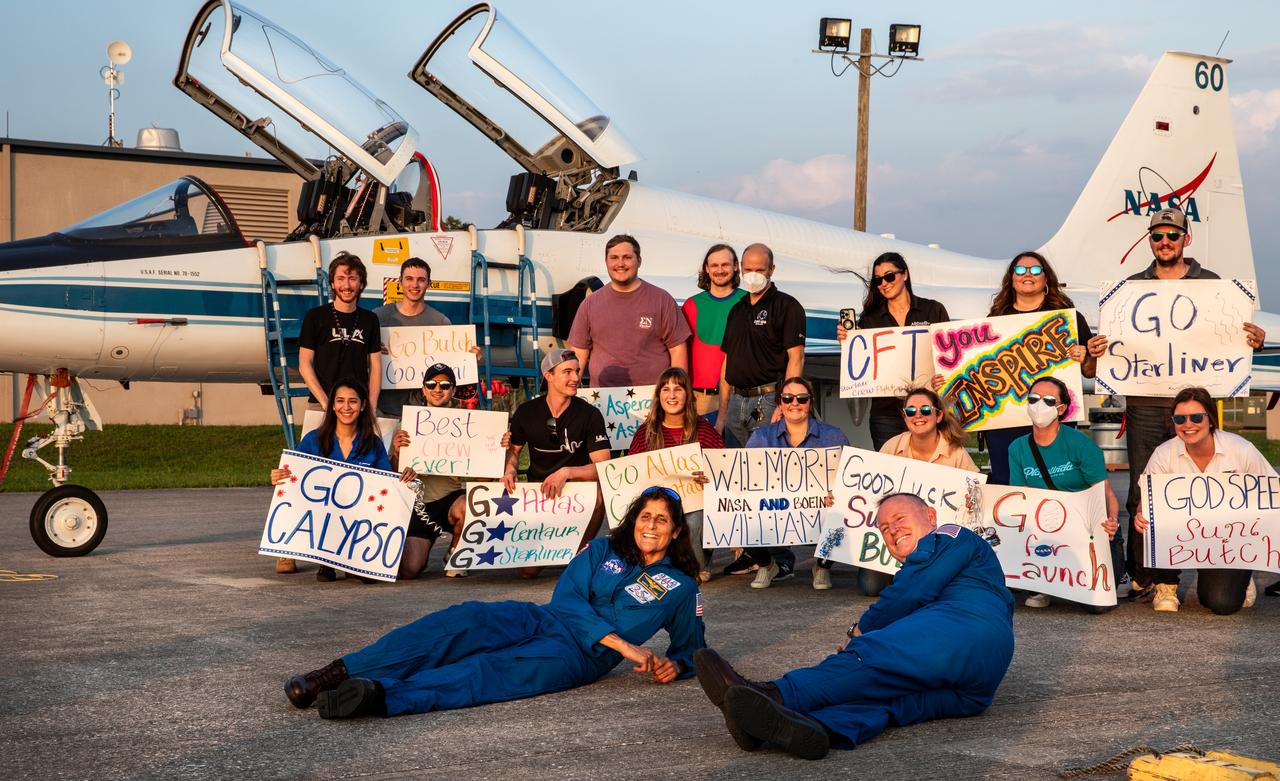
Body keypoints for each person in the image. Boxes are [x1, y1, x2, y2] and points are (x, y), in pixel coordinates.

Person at [282, 488, 706, 718]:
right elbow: (568, 599)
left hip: (576, 656)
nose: (650, 525)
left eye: (662, 520)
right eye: (645, 517)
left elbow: (692, 646)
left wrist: (678, 665)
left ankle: (379, 696)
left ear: (675, 533)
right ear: (634, 522)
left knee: (487, 672)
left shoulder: (681, 587)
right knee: (459, 623)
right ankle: (335, 673)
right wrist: (626, 646)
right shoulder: (601, 549)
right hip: (541, 618)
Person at [693, 493, 1014, 759]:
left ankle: (774, 694)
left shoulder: (949, 535)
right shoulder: (944, 570)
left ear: (930, 515)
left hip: (968, 633)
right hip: (975, 688)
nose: (892, 531)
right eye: (884, 529)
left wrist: (861, 633)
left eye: (900, 519)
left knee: (869, 655)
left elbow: (914, 589)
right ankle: (812, 726)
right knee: (889, 699)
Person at [1086, 209, 1266, 598]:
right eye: (1157, 236)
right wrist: (1100, 350)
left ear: (1186, 239)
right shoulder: (1130, 289)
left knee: (1213, 487)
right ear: (1149, 241)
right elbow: (1113, 350)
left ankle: (1228, 563)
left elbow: (1233, 340)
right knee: (1144, 490)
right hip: (1146, 403)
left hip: (1197, 406)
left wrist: (1253, 340)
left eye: (1171, 235)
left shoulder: (1214, 286)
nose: (1164, 241)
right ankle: (1147, 575)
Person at [1132, 387, 1272, 614]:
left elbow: (1271, 493)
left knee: (1221, 603)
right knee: (1145, 520)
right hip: (1182, 533)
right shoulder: (1163, 453)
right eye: (1180, 418)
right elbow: (1146, 499)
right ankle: (1166, 585)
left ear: (1211, 419)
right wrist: (1141, 514)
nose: (1188, 424)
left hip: (1229, 539)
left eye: (1196, 417)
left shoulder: (1241, 449)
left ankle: (1242, 577)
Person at [716, 243, 807, 576]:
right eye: (747, 267)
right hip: (737, 400)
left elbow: (796, 357)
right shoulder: (737, 308)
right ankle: (751, 551)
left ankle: (780, 557)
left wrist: (787, 404)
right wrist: (723, 410)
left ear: (771, 269)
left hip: (769, 398)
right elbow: (728, 361)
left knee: (768, 479)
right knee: (740, 480)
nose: (753, 273)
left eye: (760, 267)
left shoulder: (787, 306)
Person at [270, 378, 415, 581]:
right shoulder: (314, 439)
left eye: (353, 401)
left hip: (359, 523)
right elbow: (294, 477)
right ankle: (326, 559)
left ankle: (353, 559)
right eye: (340, 401)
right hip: (325, 523)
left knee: (369, 578)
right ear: (332, 405)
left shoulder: (372, 442)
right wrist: (279, 476)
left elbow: (386, 484)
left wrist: (403, 473)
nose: (346, 407)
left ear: (363, 405)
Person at [1007, 376, 1120, 609]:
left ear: (1062, 409)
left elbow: (1106, 493)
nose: (1039, 405)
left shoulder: (1081, 445)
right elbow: (1020, 496)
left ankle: (1116, 568)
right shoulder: (1017, 448)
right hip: (1045, 528)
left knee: (1097, 606)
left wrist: (1112, 521)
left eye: (1049, 401)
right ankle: (1043, 583)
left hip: (1086, 529)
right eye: (1033, 399)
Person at [504, 347, 611, 577]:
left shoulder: (590, 414)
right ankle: (549, 547)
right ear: (548, 376)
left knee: (599, 496)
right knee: (528, 572)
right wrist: (510, 468)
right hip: (538, 496)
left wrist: (567, 472)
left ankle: (578, 555)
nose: (575, 378)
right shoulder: (526, 412)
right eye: (567, 372)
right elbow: (513, 452)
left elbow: (603, 467)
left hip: (575, 494)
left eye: (577, 371)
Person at [835, 252, 949, 449]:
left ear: (905, 274)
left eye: (889, 276)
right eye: (878, 280)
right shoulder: (870, 319)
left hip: (927, 408)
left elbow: (948, 355)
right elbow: (860, 363)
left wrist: (943, 378)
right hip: (885, 413)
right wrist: (847, 342)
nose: (884, 283)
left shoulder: (933, 309)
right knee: (891, 472)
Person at [745, 376, 849, 589]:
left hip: (820, 511)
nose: (795, 403)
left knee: (845, 510)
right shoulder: (761, 438)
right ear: (780, 403)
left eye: (801, 399)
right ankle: (767, 565)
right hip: (772, 510)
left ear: (810, 403)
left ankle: (822, 567)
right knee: (735, 514)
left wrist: (837, 494)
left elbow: (850, 478)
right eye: (788, 398)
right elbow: (742, 477)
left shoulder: (833, 436)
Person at [627, 367, 725, 582]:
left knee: (693, 518)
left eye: (678, 389)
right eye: (666, 389)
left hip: (694, 502)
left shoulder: (705, 431)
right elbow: (631, 473)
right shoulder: (646, 432)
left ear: (687, 395)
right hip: (656, 500)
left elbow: (722, 471)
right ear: (658, 395)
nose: (671, 395)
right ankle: (651, 559)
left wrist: (707, 475)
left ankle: (696, 565)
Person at [567, 234, 690, 387]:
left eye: (627, 257)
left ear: (639, 261)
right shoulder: (589, 304)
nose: (620, 263)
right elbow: (578, 354)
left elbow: (677, 350)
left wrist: (677, 389)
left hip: (652, 398)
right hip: (604, 399)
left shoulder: (662, 300)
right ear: (606, 262)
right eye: (614, 258)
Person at [388, 363, 469, 580]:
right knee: (410, 570)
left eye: (445, 385)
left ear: (453, 390)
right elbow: (394, 475)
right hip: (418, 503)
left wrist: (496, 448)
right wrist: (396, 452)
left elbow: (484, 477)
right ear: (423, 389)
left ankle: (454, 553)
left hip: (448, 499)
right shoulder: (405, 425)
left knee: (469, 506)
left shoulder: (467, 424)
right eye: (431, 384)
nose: (437, 389)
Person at [374, 257, 482, 419]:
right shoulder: (378, 318)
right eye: (409, 279)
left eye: (421, 280)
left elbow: (450, 371)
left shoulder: (441, 323)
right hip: (383, 409)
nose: (415, 285)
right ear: (400, 282)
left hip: (424, 413)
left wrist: (470, 359)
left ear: (428, 283)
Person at [298, 252, 382, 414]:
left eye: (352, 279)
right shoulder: (315, 317)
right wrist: (325, 403)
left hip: (358, 404)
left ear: (361, 284)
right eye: (341, 279)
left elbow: (376, 366)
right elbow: (304, 364)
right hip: (322, 404)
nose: (347, 286)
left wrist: (371, 406)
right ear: (332, 284)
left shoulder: (370, 319)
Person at [681, 244, 746, 416]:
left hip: (739, 398)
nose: (720, 270)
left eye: (725, 264)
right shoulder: (692, 304)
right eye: (714, 265)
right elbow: (680, 351)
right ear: (706, 269)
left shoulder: (748, 301)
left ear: (735, 266)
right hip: (699, 399)